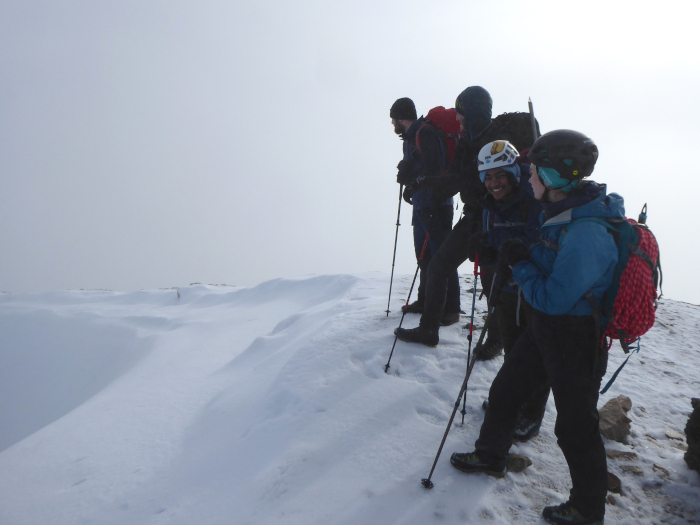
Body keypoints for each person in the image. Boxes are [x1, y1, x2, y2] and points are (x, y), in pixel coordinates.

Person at [450, 130, 617, 525]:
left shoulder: (586, 231)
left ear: (555, 178)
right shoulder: (561, 213)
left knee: (575, 425)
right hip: (550, 329)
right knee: (506, 390)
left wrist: (520, 262)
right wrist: (505, 249)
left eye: (535, 172)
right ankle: (491, 455)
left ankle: (587, 509)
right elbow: (548, 260)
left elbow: (553, 296)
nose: (528, 178)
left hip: (575, 335)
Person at [395, 87, 537, 347]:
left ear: (472, 114)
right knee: (440, 266)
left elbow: (476, 179)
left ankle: (495, 340)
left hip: (497, 219)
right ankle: (430, 330)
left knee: (492, 277)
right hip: (474, 215)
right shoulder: (466, 140)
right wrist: (425, 183)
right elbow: (458, 177)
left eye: (461, 115)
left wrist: (431, 184)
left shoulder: (496, 140)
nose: (457, 121)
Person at [467, 140, 549, 441]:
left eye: (499, 174)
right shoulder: (492, 204)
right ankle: (511, 403)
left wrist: (509, 255)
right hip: (507, 288)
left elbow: (538, 243)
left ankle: (531, 415)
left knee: (535, 357)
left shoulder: (533, 199)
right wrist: (485, 247)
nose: (493, 183)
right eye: (487, 177)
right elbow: (499, 238)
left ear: (514, 172)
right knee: (514, 352)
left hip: (533, 291)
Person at [390, 98, 460, 325]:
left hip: (437, 203)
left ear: (401, 118)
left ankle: (451, 309)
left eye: (393, 119)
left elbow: (435, 169)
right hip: (423, 204)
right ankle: (425, 301)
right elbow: (421, 170)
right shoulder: (410, 139)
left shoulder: (425, 133)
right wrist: (409, 181)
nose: (392, 124)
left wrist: (414, 180)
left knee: (442, 256)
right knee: (424, 256)